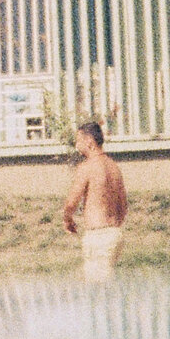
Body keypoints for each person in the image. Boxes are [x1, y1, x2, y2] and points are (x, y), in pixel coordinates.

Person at [61, 121, 129, 283]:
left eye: (78, 141)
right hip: (114, 234)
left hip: (98, 236)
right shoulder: (113, 167)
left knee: (97, 289)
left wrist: (67, 219)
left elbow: (71, 202)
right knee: (101, 282)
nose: (76, 145)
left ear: (89, 142)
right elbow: (123, 205)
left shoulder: (87, 167)